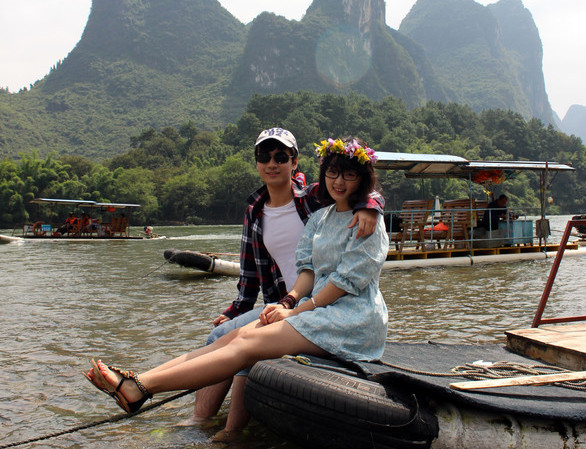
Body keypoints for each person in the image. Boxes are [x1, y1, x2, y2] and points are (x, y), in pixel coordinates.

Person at [84, 137, 389, 427]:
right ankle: (138, 381)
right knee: (232, 336)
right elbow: (307, 270)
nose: (338, 181)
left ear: (361, 178)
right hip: (315, 308)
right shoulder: (319, 218)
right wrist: (287, 302)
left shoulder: (366, 221)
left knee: (247, 344)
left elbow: (345, 282)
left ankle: (142, 389)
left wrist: (296, 312)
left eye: (349, 175)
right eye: (332, 173)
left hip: (351, 317)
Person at [183, 128, 383, 440]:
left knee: (248, 344)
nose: (272, 163)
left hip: (317, 304)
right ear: (257, 162)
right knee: (218, 334)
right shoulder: (255, 210)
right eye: (265, 156)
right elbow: (250, 271)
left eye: (280, 157)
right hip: (284, 300)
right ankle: (199, 421)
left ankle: (232, 429)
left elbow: (355, 187)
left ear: (294, 162)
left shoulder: (314, 198)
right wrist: (237, 309)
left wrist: (370, 205)